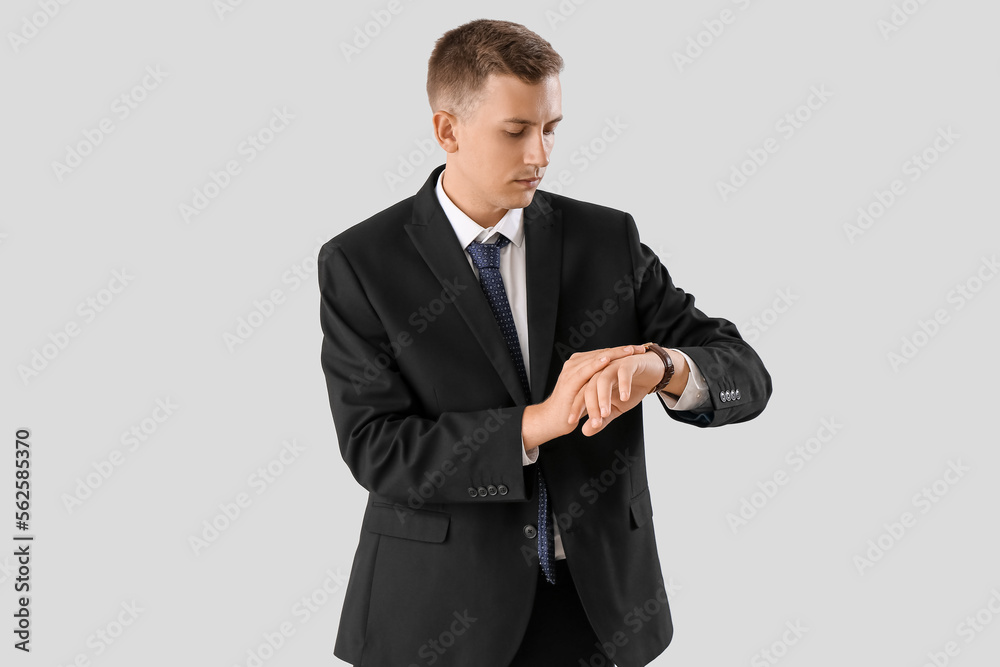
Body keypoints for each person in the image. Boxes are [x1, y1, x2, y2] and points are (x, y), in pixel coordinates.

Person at [317, 18, 772, 667]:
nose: (541, 155)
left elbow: (744, 372)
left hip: (596, 611)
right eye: (516, 132)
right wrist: (535, 424)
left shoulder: (605, 239)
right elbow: (377, 447)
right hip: (434, 617)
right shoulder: (360, 261)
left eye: (550, 128)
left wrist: (664, 367)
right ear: (447, 129)